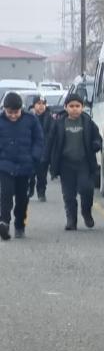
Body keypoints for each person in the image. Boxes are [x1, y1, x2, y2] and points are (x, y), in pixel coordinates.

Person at [45, 93, 102, 230]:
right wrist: (45, 160)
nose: (74, 109)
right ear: (65, 107)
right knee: (69, 195)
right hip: (66, 164)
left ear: (82, 107)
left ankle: (86, 212)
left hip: (84, 163)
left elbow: (97, 138)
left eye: (78, 106)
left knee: (86, 189)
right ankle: (71, 220)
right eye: (71, 106)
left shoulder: (88, 122)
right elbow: (50, 143)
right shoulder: (59, 124)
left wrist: (96, 144)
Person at [0, 91, 44, 241]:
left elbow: (39, 140)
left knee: (22, 198)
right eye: (9, 112)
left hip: (25, 165)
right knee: (5, 195)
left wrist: (34, 157)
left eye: (16, 112)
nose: (13, 115)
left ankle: (19, 225)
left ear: (22, 109)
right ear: (4, 109)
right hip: (5, 165)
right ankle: (4, 222)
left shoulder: (31, 120)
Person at [28, 97, 54, 202]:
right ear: (34, 105)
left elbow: (52, 134)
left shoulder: (50, 118)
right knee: (29, 174)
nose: (41, 106)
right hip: (30, 151)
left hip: (43, 151)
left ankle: (41, 192)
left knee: (42, 175)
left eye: (43, 103)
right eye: (38, 103)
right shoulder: (28, 118)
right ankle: (30, 189)